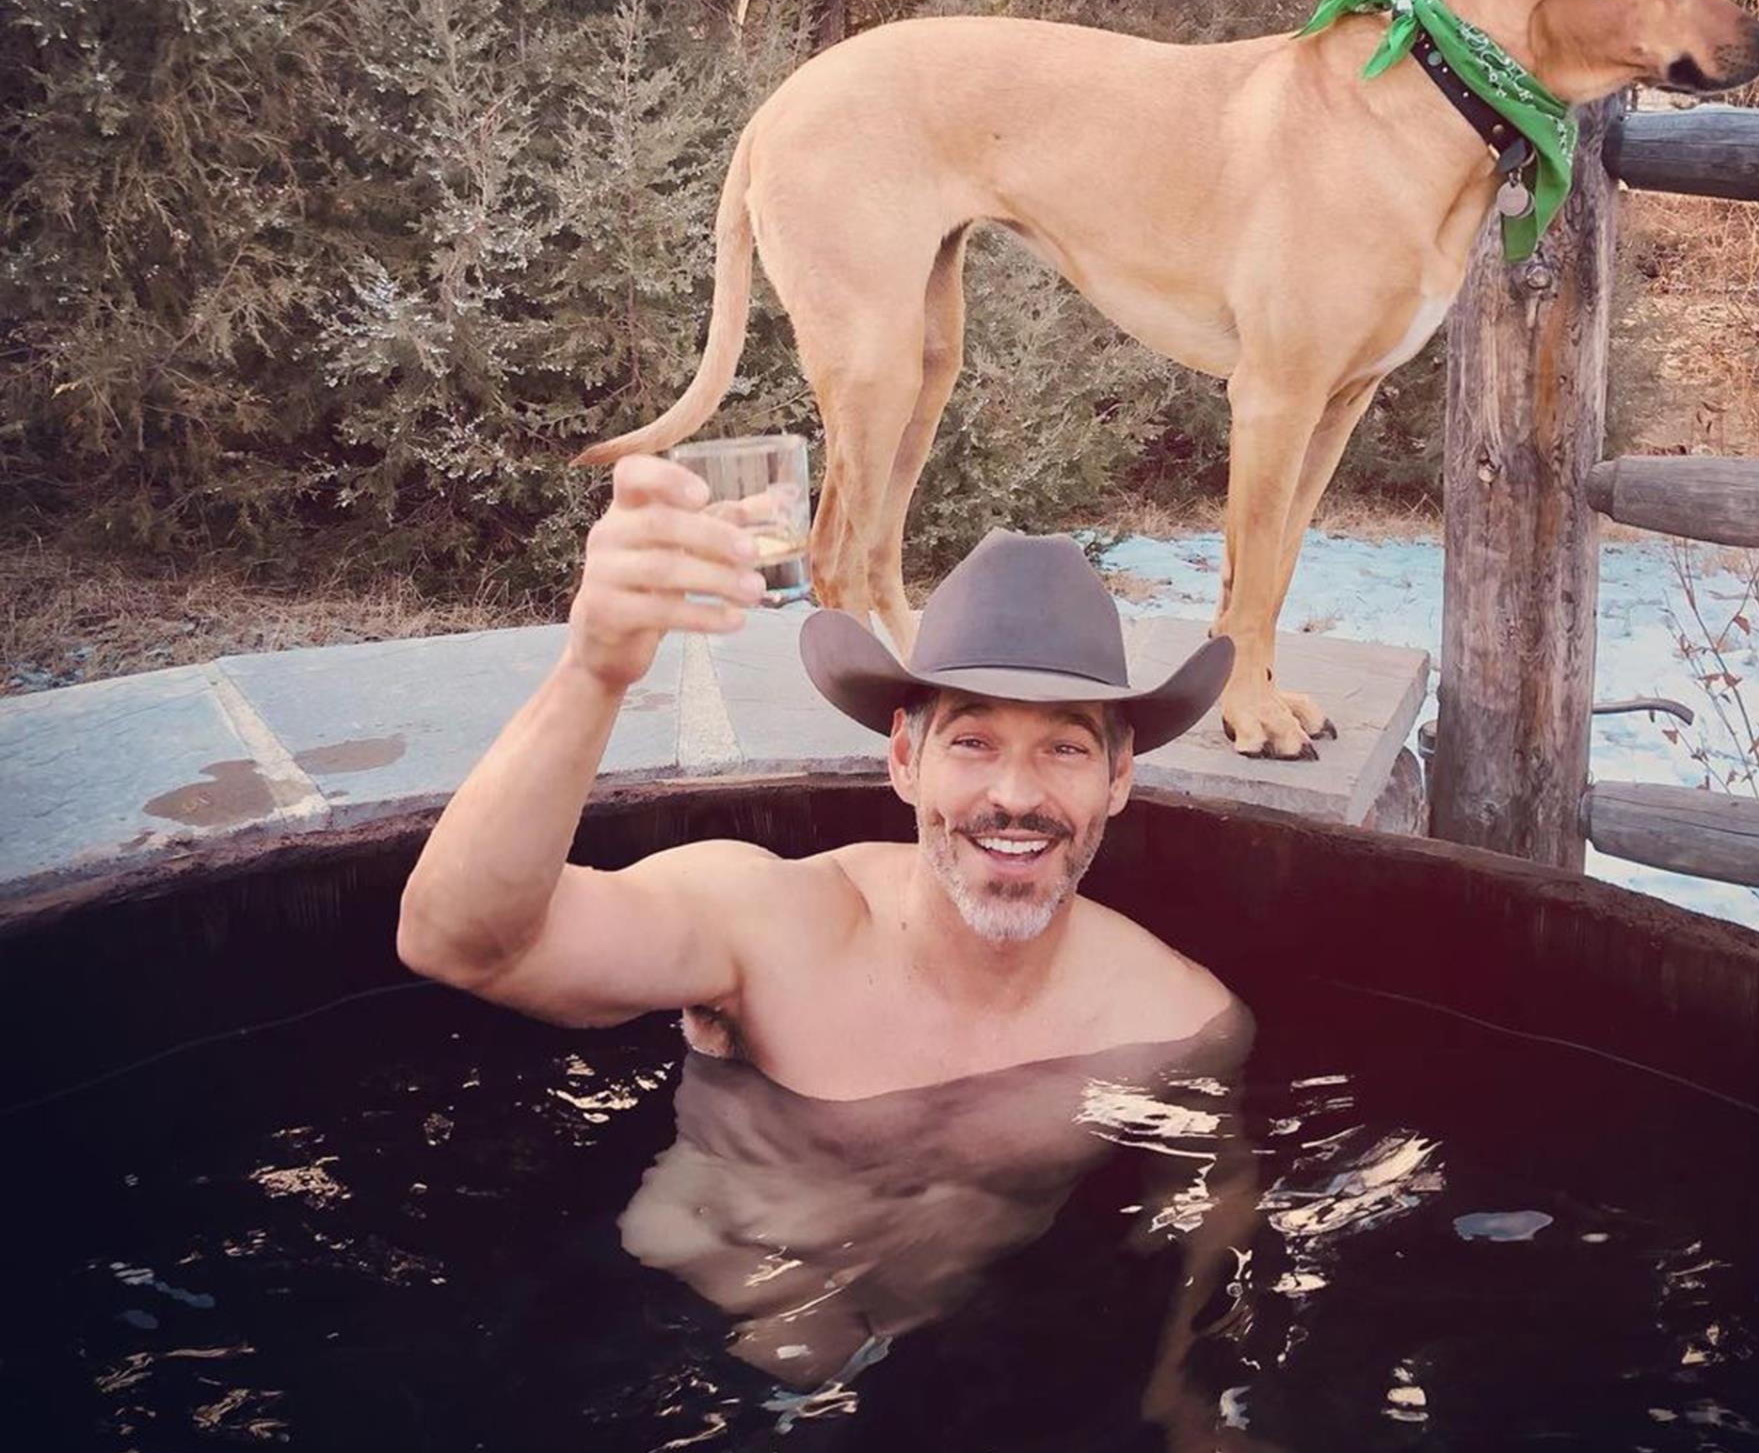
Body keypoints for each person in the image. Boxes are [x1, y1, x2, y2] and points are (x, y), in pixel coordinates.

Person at [396, 453, 1241, 1100]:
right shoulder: (771, 926)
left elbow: (1206, 1239)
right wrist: (592, 670)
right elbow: (460, 943)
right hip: (708, 1315)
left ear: (1120, 776)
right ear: (905, 759)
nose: (1016, 797)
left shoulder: (1174, 1015)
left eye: (1065, 749)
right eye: (974, 741)